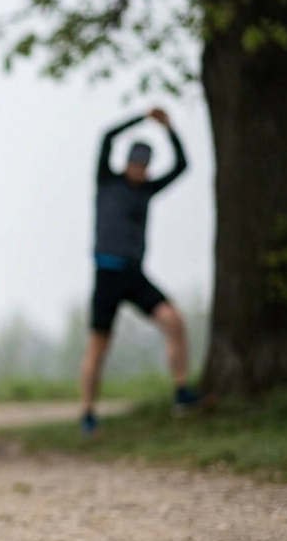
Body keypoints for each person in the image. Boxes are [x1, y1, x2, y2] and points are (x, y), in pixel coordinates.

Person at [80, 108, 204, 437]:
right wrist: (143, 118)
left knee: (173, 320)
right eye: (137, 166)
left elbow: (181, 166)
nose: (141, 172)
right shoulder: (107, 180)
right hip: (106, 273)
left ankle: (181, 391)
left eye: (146, 168)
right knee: (98, 346)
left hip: (135, 275)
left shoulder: (146, 190)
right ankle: (88, 413)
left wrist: (170, 129)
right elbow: (107, 135)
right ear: (127, 164)